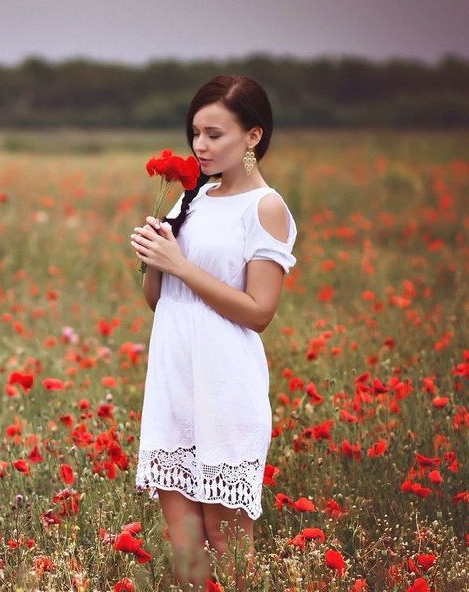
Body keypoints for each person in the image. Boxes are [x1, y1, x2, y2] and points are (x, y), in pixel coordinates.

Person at [130, 75, 297, 590]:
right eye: (195, 133)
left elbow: (258, 311)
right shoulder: (189, 201)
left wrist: (179, 266)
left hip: (225, 385)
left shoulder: (265, 207)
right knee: (186, 551)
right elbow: (159, 302)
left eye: (215, 134)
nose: (200, 146)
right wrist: (154, 257)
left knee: (225, 544)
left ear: (252, 136)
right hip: (174, 380)